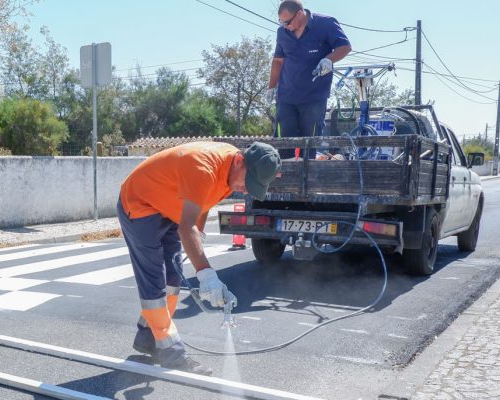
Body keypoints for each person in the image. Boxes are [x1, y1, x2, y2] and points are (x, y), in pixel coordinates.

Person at [117, 141, 281, 375]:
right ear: (239, 161)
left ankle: (147, 337)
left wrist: (198, 241)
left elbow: (201, 204)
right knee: (154, 280)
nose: (246, 189)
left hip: (169, 208)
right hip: (140, 204)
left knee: (173, 276)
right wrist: (206, 274)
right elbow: (187, 227)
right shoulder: (204, 167)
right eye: (248, 182)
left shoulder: (230, 172)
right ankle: (172, 354)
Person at [268, 0, 352, 159]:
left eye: (287, 22)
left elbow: (345, 47)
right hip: (286, 97)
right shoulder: (282, 33)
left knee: (310, 144)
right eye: (281, 22)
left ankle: (307, 182)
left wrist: (329, 59)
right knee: (284, 144)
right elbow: (278, 61)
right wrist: (271, 87)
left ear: (299, 14)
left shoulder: (325, 24)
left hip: (314, 97)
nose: (285, 26)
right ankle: (286, 181)